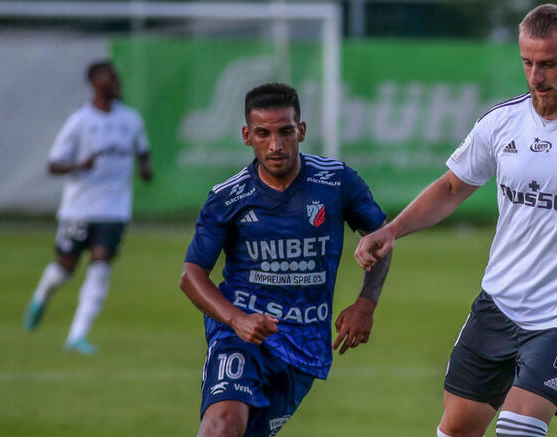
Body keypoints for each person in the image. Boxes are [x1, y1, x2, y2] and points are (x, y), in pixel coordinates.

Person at [354, 4, 557, 437]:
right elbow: (453, 187)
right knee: (456, 429)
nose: (536, 76)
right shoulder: (502, 122)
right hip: (498, 304)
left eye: (549, 64)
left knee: (517, 428)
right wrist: (391, 229)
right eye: (528, 63)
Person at [179, 83, 391, 437]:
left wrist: (365, 304)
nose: (275, 145)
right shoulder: (228, 198)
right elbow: (191, 275)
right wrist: (237, 319)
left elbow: (382, 238)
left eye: (285, 132)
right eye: (263, 133)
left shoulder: (336, 181)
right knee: (221, 426)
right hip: (241, 335)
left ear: (301, 131)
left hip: (303, 343)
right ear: (247, 136)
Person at [23, 59, 153, 355]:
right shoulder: (80, 121)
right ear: (95, 82)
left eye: (116, 77)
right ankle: (42, 295)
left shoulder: (131, 119)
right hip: (79, 209)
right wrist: (79, 165)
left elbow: (143, 151)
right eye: (110, 77)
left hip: (114, 210)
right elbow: (53, 164)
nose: (116, 81)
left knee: (101, 265)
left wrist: (145, 168)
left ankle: (77, 336)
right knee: (65, 269)